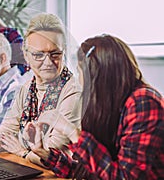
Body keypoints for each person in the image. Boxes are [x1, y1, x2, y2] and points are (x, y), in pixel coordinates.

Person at [26, 34, 164, 179]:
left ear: (97, 76)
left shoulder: (143, 103)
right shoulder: (108, 105)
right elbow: (92, 171)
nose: (80, 81)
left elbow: (124, 176)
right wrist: (45, 154)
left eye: (80, 72)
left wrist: (72, 133)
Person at [0, 13, 81, 166]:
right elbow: (4, 134)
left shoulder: (72, 91)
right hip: (29, 167)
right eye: (38, 55)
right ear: (26, 56)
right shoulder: (27, 88)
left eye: (55, 54)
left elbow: (50, 152)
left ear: (63, 52)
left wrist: (22, 151)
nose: (48, 62)